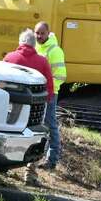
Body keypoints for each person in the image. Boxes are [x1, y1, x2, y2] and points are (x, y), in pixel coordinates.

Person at [3, 28, 55, 176]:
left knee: (9, 133)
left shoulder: (9, 57)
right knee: (36, 138)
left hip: (12, 108)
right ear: (34, 45)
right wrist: (47, 102)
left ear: (20, 42)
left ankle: (4, 167)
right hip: (35, 112)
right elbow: (49, 87)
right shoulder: (42, 61)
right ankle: (30, 173)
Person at [35, 21, 65, 168]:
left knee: (50, 125)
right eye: (37, 33)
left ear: (48, 33)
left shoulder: (55, 50)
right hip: (38, 93)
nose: (39, 36)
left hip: (50, 94)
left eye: (42, 33)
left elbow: (60, 76)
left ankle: (52, 159)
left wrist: (49, 90)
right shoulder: (36, 47)